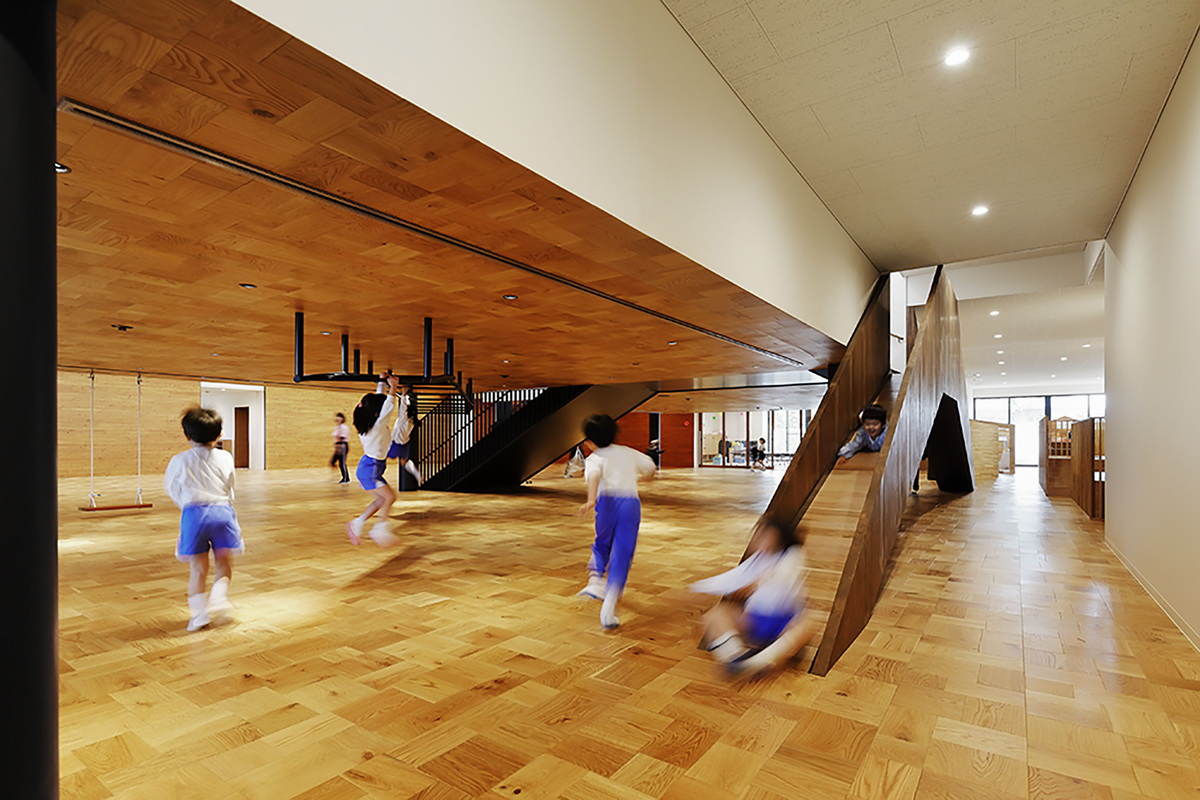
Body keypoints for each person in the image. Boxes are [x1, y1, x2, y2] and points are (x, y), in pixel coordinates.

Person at [690, 514, 814, 678]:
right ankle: (737, 658)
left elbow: (784, 575)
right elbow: (730, 579)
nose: (760, 540)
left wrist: (756, 582)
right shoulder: (756, 561)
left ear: (779, 538)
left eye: (766, 536)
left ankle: (762, 660)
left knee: (807, 624)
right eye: (759, 535)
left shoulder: (792, 555)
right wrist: (697, 586)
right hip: (755, 619)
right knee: (714, 616)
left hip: (783, 622)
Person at [164, 407, 242, 632]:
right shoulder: (226, 457)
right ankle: (219, 597)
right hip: (222, 512)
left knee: (198, 568)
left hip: (194, 514)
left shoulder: (179, 460)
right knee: (224, 562)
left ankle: (199, 616)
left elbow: (172, 488)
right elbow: (230, 485)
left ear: (186, 435)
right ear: (219, 434)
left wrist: (187, 505)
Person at [577, 413, 657, 630]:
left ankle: (595, 580)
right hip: (629, 505)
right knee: (623, 551)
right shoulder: (627, 452)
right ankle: (609, 606)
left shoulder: (594, 458)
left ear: (590, 441)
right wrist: (648, 477)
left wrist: (591, 500)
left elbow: (594, 477)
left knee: (602, 542)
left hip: (606, 503)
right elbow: (650, 467)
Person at [347, 374, 402, 547]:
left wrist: (381, 383)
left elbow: (379, 404)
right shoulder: (377, 426)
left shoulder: (369, 426)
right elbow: (388, 407)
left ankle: (357, 523)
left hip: (370, 467)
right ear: (376, 414)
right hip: (371, 469)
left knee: (381, 500)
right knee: (390, 497)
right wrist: (393, 387)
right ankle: (380, 528)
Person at [387, 384, 422, 487]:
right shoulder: (412, 421)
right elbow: (406, 407)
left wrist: (404, 394)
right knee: (404, 461)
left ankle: (374, 474)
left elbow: (403, 408)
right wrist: (405, 396)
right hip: (404, 443)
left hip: (398, 442)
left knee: (381, 456)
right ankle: (417, 474)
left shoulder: (404, 419)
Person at [331, 412, 351, 484]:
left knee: (342, 463)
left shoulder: (344, 427)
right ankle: (337, 475)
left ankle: (346, 478)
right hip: (338, 445)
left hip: (343, 445)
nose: (337, 419)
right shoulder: (336, 428)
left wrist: (340, 447)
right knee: (333, 462)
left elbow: (342, 437)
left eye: (339, 417)